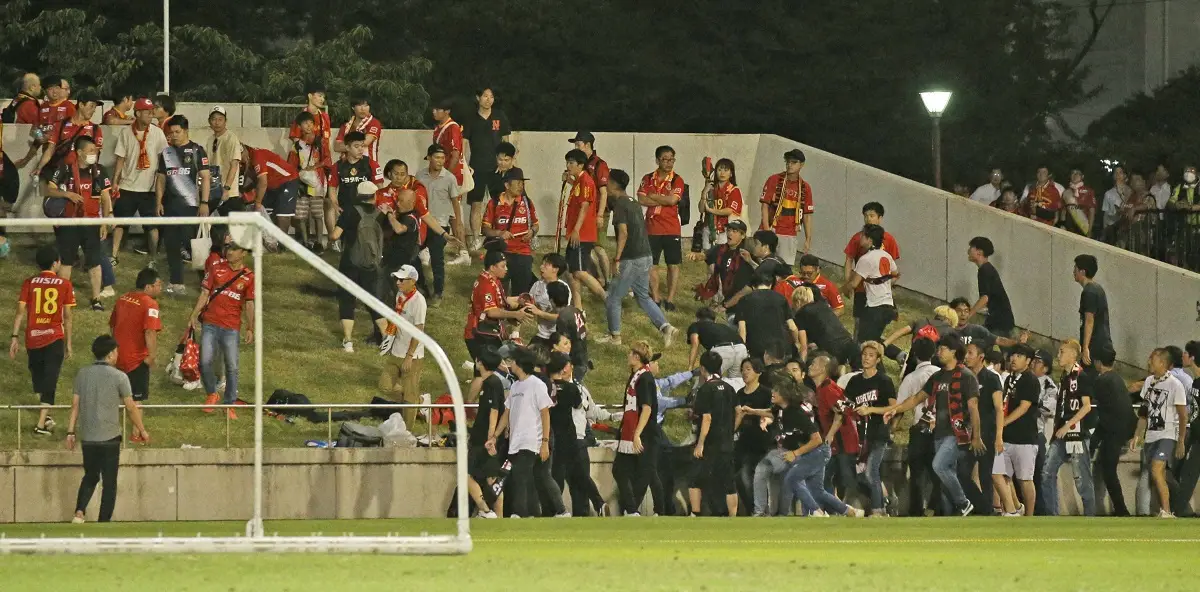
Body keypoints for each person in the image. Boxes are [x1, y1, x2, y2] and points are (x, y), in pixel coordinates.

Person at [884, 335, 985, 517]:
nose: (938, 352)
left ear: (954, 352)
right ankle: (949, 515)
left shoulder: (966, 377)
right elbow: (917, 398)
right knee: (944, 474)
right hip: (939, 432)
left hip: (958, 432)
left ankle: (964, 503)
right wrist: (896, 409)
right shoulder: (938, 376)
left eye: (942, 349)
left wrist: (976, 436)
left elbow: (973, 407)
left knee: (938, 465)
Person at [66, 335, 150, 523]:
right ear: (111, 354)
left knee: (91, 475)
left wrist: (70, 432)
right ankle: (103, 522)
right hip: (110, 436)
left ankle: (79, 512)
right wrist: (142, 430)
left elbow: (75, 406)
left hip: (88, 436)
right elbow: (130, 407)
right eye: (116, 351)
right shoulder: (120, 377)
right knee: (109, 482)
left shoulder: (82, 374)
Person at [487, 347, 568, 518]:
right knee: (539, 476)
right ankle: (555, 511)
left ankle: (519, 513)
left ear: (519, 364)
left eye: (512, 361)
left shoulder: (536, 385)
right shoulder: (516, 386)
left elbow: (545, 413)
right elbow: (506, 413)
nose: (510, 364)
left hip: (531, 440)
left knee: (519, 476)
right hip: (516, 441)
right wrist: (494, 436)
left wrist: (545, 442)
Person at [601, 169, 677, 347]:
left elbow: (623, 233)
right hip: (646, 255)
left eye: (608, 182)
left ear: (613, 184)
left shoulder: (620, 204)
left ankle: (615, 336)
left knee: (613, 296)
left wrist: (617, 258)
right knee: (643, 296)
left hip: (632, 258)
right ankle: (666, 327)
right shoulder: (633, 202)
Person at [10, 245, 75, 436]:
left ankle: (44, 417)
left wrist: (14, 337)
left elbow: (20, 311)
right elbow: (68, 316)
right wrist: (68, 344)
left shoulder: (29, 282)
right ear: (55, 263)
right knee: (50, 380)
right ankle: (40, 425)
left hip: (33, 337)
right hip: (53, 337)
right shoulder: (64, 284)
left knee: (39, 379)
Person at [43, 135, 112, 311]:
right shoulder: (64, 169)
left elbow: (105, 197)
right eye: (90, 151)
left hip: (92, 222)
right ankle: (63, 298)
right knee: (66, 262)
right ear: (79, 153)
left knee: (94, 262)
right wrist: (67, 194)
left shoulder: (99, 170)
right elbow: (48, 190)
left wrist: (105, 220)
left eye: (95, 151)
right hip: (69, 222)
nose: (94, 154)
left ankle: (96, 299)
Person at [191, 236, 255, 419]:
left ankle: (229, 404)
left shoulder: (249, 277)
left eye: (234, 249)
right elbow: (204, 293)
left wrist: (250, 328)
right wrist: (194, 315)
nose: (229, 252)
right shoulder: (215, 268)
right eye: (228, 248)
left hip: (231, 327)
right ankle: (212, 392)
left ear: (243, 253)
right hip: (210, 323)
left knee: (232, 367)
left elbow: (250, 304)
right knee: (204, 362)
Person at [331, 181, 390, 352]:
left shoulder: (350, 211)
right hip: (372, 264)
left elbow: (335, 235)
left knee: (347, 300)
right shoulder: (380, 214)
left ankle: (348, 341)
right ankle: (386, 337)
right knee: (372, 300)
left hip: (350, 262)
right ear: (374, 195)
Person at [155, 116, 210, 295]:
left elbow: (206, 178)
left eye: (177, 132)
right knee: (171, 244)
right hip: (170, 207)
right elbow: (161, 179)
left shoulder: (197, 150)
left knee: (191, 244)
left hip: (191, 206)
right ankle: (176, 282)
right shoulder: (167, 153)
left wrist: (204, 203)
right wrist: (158, 202)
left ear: (186, 131)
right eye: (171, 133)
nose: (174, 136)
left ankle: (208, 280)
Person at [1041, 339, 1096, 516]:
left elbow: (1086, 406)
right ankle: (1052, 515)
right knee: (1047, 472)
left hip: (1077, 433)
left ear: (1073, 354)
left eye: (1062, 352)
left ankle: (1091, 517)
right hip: (1062, 433)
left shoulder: (1081, 376)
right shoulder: (1065, 377)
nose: (1059, 355)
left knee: (1081, 478)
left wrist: (1068, 425)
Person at [1134, 348, 1189, 517]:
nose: (1150, 362)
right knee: (1161, 475)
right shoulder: (1150, 381)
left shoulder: (1175, 385)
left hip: (1167, 435)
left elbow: (1182, 415)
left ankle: (1166, 511)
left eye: (1153, 359)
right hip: (1151, 435)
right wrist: (1137, 434)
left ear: (1163, 364)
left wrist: (1180, 441)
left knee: (1156, 470)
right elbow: (1144, 412)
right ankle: (1178, 506)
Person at [846, 340, 899, 516]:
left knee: (871, 471)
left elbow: (894, 407)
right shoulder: (854, 381)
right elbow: (847, 403)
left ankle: (878, 510)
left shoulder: (884, 381)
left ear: (878, 359)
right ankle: (885, 499)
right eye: (864, 355)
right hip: (859, 435)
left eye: (871, 355)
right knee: (860, 474)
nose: (866, 358)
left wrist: (871, 410)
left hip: (878, 433)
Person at [613, 341, 664, 516]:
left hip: (644, 433)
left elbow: (647, 408)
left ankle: (638, 510)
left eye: (630, 353)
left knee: (645, 473)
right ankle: (632, 509)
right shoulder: (636, 375)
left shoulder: (645, 378)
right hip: (632, 432)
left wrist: (637, 434)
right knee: (622, 470)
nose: (628, 356)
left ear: (636, 357)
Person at [894, 338, 941, 515]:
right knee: (938, 471)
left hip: (919, 428)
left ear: (914, 354)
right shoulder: (941, 372)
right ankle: (937, 507)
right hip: (940, 428)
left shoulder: (911, 377)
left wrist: (892, 428)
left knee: (917, 473)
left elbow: (900, 408)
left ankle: (916, 510)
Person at [992, 345, 1041, 516]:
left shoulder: (1030, 380)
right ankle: (1015, 508)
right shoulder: (1010, 379)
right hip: (1007, 437)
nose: (1013, 358)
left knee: (1025, 479)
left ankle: (1029, 516)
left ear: (1028, 361)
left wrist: (1002, 423)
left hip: (1025, 438)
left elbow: (1024, 407)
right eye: (1012, 355)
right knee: (1003, 475)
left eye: (1019, 356)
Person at [809, 352, 862, 508]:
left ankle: (856, 508)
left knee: (846, 478)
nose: (811, 366)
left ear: (823, 369)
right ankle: (836, 509)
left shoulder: (828, 389)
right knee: (825, 478)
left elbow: (840, 413)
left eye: (814, 364)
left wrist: (830, 435)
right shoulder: (823, 388)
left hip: (843, 441)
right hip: (837, 442)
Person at [689, 351, 739, 516]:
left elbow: (707, 418)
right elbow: (738, 411)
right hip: (727, 442)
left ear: (703, 369)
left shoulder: (706, 389)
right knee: (729, 482)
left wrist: (700, 443)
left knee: (696, 478)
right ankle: (733, 517)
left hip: (711, 443)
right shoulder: (730, 388)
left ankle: (694, 513)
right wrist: (731, 429)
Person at [638, 146, 686, 311]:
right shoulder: (648, 178)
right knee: (652, 264)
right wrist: (663, 199)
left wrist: (654, 197)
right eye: (665, 159)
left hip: (671, 228)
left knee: (673, 264)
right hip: (651, 228)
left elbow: (673, 201)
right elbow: (641, 199)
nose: (669, 162)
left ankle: (671, 298)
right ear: (658, 160)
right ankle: (656, 296)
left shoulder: (677, 179)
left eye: (672, 159)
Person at [378, 265, 427, 427]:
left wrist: (410, 355)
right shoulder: (400, 295)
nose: (398, 282)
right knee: (385, 386)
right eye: (397, 279)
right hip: (396, 350)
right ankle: (418, 401)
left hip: (412, 356)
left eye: (401, 279)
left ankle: (408, 431)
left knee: (409, 396)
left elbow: (418, 331)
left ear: (413, 281)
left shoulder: (419, 302)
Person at [463, 88, 511, 249]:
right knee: (476, 203)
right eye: (485, 96)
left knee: (501, 202)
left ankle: (500, 236)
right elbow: (464, 143)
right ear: (478, 98)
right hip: (476, 167)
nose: (488, 99)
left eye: (491, 96)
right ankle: (476, 239)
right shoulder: (471, 118)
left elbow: (506, 141)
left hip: (497, 168)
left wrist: (506, 163)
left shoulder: (499, 116)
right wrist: (465, 165)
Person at [108, 268, 163, 408]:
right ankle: (137, 430)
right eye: (158, 285)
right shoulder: (150, 304)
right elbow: (150, 331)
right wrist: (151, 356)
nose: (160, 288)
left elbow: (112, 326)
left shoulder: (122, 298)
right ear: (148, 287)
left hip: (117, 355)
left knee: (120, 397)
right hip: (136, 360)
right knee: (135, 401)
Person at [1090, 350, 1136, 516]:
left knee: (1108, 469)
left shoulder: (1102, 380)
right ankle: (1119, 508)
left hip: (1112, 430)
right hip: (1122, 429)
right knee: (1107, 468)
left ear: (1098, 362)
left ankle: (1121, 509)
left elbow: (1095, 404)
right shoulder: (1117, 378)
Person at [415, 144, 460, 303]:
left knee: (437, 260)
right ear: (428, 157)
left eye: (443, 158)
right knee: (413, 255)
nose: (440, 161)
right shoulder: (419, 176)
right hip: (421, 223)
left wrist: (457, 227)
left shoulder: (449, 178)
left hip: (440, 224)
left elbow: (455, 204)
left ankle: (438, 293)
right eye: (437, 157)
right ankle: (421, 287)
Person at [482, 167, 538, 296]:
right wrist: (499, 233)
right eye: (518, 183)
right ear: (507, 184)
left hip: (523, 252)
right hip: (502, 252)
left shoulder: (527, 203)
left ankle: (517, 315)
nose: (521, 186)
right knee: (500, 292)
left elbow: (535, 225)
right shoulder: (494, 203)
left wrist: (532, 232)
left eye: (522, 184)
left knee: (521, 293)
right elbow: (485, 229)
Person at [962, 341, 1002, 516]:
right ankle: (981, 506)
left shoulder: (991, 378)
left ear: (981, 357)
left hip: (987, 433)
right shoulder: (964, 377)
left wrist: (999, 436)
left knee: (986, 475)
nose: (966, 357)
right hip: (967, 433)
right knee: (961, 472)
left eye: (970, 353)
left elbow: (999, 408)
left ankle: (986, 511)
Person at [561, 149, 606, 305]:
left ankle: (606, 297)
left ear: (581, 165)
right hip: (577, 232)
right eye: (567, 162)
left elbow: (585, 206)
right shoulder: (579, 181)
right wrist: (570, 181)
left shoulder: (586, 180)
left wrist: (576, 230)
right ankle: (578, 307)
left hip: (582, 233)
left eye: (571, 163)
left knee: (579, 271)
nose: (568, 166)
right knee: (572, 271)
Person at [842, 224, 899, 344]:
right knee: (873, 339)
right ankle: (898, 356)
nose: (860, 237)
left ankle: (899, 355)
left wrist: (843, 289)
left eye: (863, 235)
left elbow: (854, 284)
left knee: (865, 341)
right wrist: (885, 283)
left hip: (874, 307)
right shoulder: (886, 256)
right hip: (888, 305)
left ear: (870, 240)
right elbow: (896, 274)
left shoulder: (865, 259)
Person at [568, 132, 612, 283]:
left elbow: (603, 192)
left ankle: (608, 280)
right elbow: (582, 190)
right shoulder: (582, 163)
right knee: (588, 247)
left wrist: (600, 215)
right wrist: (570, 180)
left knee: (598, 247)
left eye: (578, 144)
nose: (576, 147)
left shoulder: (599, 164)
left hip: (597, 212)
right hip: (586, 213)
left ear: (587, 145)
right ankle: (598, 278)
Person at [430, 100, 470, 265]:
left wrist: (446, 177)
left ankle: (464, 252)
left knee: (455, 215)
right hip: (444, 175)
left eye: (437, 108)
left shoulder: (452, 127)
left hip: (450, 177)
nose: (434, 112)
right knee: (442, 212)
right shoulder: (439, 127)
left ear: (446, 111)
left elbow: (455, 154)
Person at [758, 149, 814, 264]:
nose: (789, 165)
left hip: (789, 233)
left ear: (801, 165)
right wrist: (766, 230)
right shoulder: (774, 179)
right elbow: (764, 206)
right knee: (761, 264)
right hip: (771, 228)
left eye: (794, 162)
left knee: (783, 269)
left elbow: (807, 216)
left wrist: (808, 239)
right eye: (788, 162)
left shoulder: (805, 187)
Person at [466, 349, 504, 519]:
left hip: (483, 439)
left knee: (466, 475)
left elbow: (494, 411)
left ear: (480, 362)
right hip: (484, 438)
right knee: (491, 478)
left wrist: (491, 438)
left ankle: (485, 510)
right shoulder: (490, 382)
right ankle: (497, 515)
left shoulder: (491, 383)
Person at [733, 358, 772, 512]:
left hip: (760, 441)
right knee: (738, 475)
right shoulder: (739, 393)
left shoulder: (765, 393)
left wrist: (760, 416)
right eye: (743, 369)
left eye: (748, 369)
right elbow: (735, 421)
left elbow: (772, 414)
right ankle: (755, 509)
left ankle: (759, 509)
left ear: (758, 372)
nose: (744, 372)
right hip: (743, 441)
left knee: (748, 474)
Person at [288, 111, 332, 248]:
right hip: (302, 184)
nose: (308, 125)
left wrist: (314, 167)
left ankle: (319, 242)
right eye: (305, 123)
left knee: (318, 214)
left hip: (317, 182)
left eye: (311, 123)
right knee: (301, 215)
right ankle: (306, 242)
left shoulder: (321, 142)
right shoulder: (296, 146)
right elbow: (291, 166)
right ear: (299, 126)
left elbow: (328, 160)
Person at [240, 144, 300, 235]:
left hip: (288, 180)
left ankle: (282, 244)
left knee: (282, 215)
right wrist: (243, 192)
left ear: (243, 151)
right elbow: (255, 180)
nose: (239, 160)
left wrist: (258, 202)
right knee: (267, 211)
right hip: (272, 184)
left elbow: (263, 182)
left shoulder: (257, 156)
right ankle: (271, 241)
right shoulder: (248, 159)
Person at [737, 272, 799, 360]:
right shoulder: (781, 299)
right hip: (780, 348)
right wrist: (797, 342)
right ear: (770, 285)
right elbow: (792, 327)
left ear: (753, 286)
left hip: (755, 348)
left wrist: (742, 349)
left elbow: (742, 329)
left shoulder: (744, 300)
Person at [790, 285, 856, 368]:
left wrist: (801, 368)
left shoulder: (801, 314)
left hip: (831, 347)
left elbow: (804, 348)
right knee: (841, 367)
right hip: (849, 342)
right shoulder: (824, 306)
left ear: (797, 301)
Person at [965, 237, 1016, 337]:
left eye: (971, 247)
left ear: (979, 252)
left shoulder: (985, 270)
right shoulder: (987, 269)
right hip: (1000, 321)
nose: (968, 251)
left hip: (999, 323)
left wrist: (968, 315)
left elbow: (985, 298)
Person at [1073, 254, 1114, 372]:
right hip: (1102, 344)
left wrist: (1085, 347)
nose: (1073, 271)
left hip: (1095, 347)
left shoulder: (1089, 292)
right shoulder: (1097, 289)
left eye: (1075, 268)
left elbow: (1089, 321)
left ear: (1082, 271)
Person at [686, 308, 746, 378]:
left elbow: (695, 345)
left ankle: (698, 388)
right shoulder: (723, 326)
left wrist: (689, 369)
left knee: (707, 376)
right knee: (736, 381)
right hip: (741, 348)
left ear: (697, 319)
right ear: (714, 320)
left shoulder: (696, 325)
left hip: (723, 349)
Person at [333, 97, 384, 178]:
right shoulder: (346, 126)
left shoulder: (374, 123)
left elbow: (366, 142)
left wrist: (348, 145)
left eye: (366, 105)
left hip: (368, 167)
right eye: (359, 105)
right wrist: (355, 145)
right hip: (347, 167)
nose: (363, 109)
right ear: (353, 107)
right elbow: (336, 147)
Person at [549, 283, 589, 382]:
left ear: (552, 301)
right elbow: (586, 330)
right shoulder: (574, 309)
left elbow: (563, 345)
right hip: (583, 356)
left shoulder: (562, 318)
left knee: (572, 385)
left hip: (575, 362)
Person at [699, 158, 744, 249]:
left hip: (725, 230)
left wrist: (711, 210)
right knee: (708, 258)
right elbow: (701, 209)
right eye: (719, 170)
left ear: (731, 173)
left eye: (726, 170)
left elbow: (729, 211)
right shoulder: (711, 188)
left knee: (721, 257)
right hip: (708, 227)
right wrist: (704, 193)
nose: (722, 173)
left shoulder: (734, 190)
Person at [528, 253, 571, 348]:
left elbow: (562, 317)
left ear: (555, 269)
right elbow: (529, 304)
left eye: (545, 265)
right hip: (541, 335)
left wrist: (539, 312)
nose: (541, 267)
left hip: (558, 337)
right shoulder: (537, 285)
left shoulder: (562, 288)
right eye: (542, 264)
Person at [206, 106, 242, 213]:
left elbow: (234, 165)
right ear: (209, 121)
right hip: (214, 190)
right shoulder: (210, 139)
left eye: (220, 119)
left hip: (229, 193)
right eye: (214, 119)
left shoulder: (231, 138)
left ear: (225, 121)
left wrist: (227, 189)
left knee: (229, 227)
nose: (217, 122)